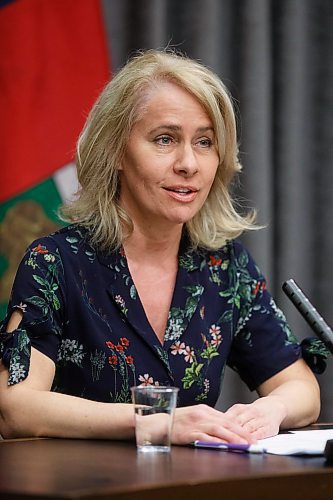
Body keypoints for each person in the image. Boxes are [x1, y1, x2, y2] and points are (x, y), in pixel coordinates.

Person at [0, 49, 322, 444]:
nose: (189, 163)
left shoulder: (225, 268)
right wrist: (155, 421)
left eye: (204, 142)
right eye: (165, 139)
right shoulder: (54, 263)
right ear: (116, 150)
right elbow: (16, 407)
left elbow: (301, 389)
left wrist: (270, 410)